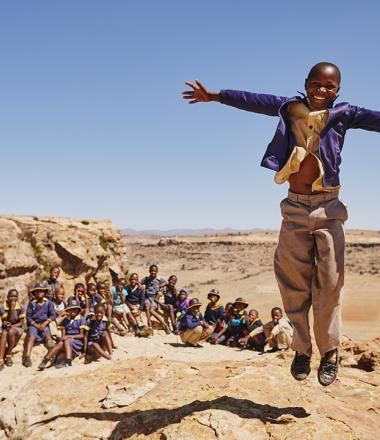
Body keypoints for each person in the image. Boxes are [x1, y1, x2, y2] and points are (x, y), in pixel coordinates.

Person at [182, 62, 380, 385]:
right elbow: (253, 100)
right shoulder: (289, 107)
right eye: (316, 83)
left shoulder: (346, 112)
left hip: (329, 208)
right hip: (294, 209)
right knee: (292, 283)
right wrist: (215, 96)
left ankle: (330, 352)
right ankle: (303, 349)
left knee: (330, 284)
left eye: (329, 86)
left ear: (338, 90)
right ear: (306, 83)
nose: (321, 90)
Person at [38, 300, 86, 370]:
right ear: (68, 311)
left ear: (78, 310)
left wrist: (69, 337)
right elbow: (63, 335)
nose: (73, 311)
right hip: (67, 342)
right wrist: (62, 338)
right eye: (71, 309)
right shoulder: (65, 320)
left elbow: (81, 335)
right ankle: (46, 359)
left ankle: (68, 362)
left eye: (75, 309)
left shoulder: (81, 319)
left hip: (77, 342)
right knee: (61, 342)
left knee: (66, 340)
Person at [23, 283, 56, 367]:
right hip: (34, 325)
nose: (39, 293)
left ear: (44, 292)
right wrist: (36, 325)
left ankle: (52, 356)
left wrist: (45, 323)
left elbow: (53, 315)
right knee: (31, 336)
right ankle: (27, 357)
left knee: (48, 337)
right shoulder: (32, 303)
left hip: (45, 324)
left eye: (41, 291)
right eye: (37, 291)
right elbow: (28, 317)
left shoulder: (49, 303)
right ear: (35, 293)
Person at [140, 265, 170, 334]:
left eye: (155, 271)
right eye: (152, 271)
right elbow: (140, 283)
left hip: (155, 298)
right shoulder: (146, 279)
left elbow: (166, 283)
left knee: (151, 310)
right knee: (147, 307)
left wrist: (160, 286)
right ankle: (150, 325)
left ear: (157, 271)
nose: (153, 272)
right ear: (149, 271)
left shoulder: (159, 279)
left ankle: (164, 324)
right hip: (147, 297)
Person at [0, 289, 25, 369]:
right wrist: (11, 308)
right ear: (7, 297)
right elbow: (6, 321)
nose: (13, 298)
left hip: (17, 328)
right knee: (4, 333)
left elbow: (21, 323)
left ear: (17, 297)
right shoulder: (3, 306)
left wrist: (12, 308)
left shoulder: (21, 307)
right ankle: (0, 360)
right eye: (11, 296)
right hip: (6, 327)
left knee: (11, 331)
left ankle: (9, 355)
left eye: (15, 296)